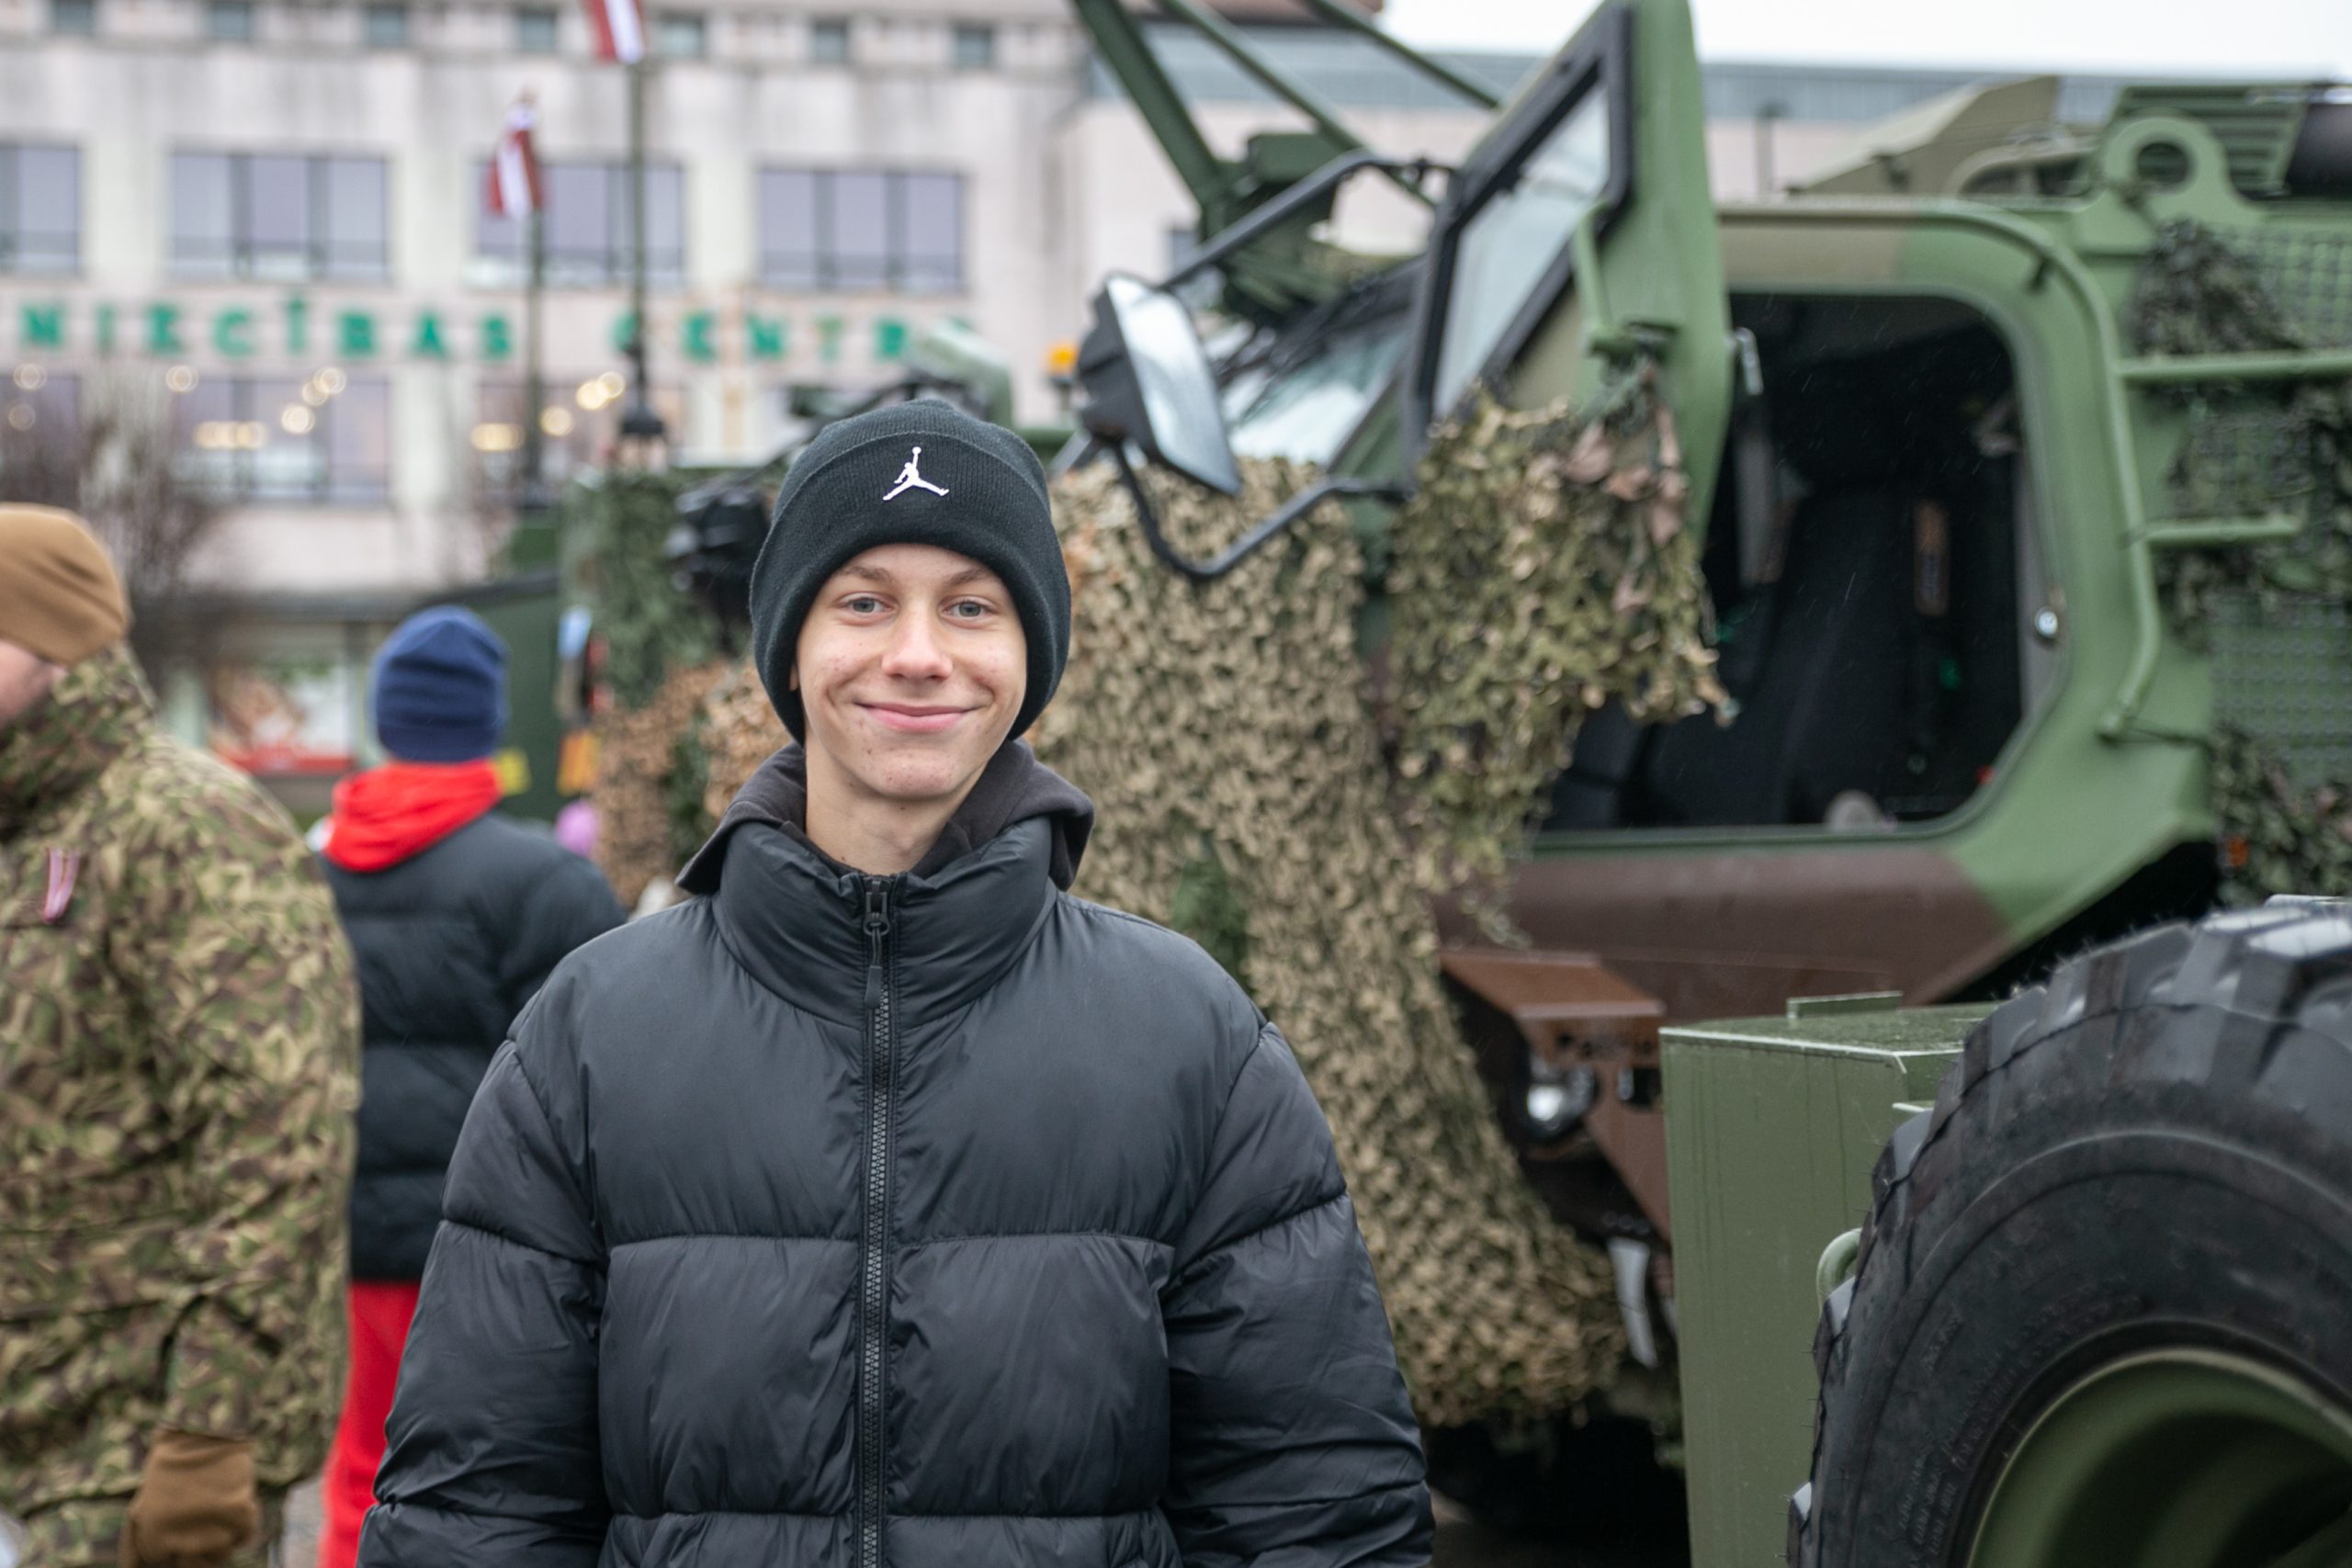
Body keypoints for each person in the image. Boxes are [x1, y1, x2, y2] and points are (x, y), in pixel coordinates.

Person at [358, 402, 1432, 1568]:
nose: (919, 654)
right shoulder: (589, 1034)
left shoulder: (1192, 1040)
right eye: (864, 602)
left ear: (1029, 658)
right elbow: (476, 1513)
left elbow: (1313, 1512)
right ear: (790, 648)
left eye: (971, 606)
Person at [0, 505, 359, 1567]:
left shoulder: (185, 827)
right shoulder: (22, 837)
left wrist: (210, 1430)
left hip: (129, 1452)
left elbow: (276, 1149)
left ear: (56, 644)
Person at [312, 606, 627, 1568]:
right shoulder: (549, 883)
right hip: (500, 1244)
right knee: (501, 1486)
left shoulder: (302, 874)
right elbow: (599, 1084)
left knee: (361, 1471)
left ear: (386, 721)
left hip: (346, 1238)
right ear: (484, 724)